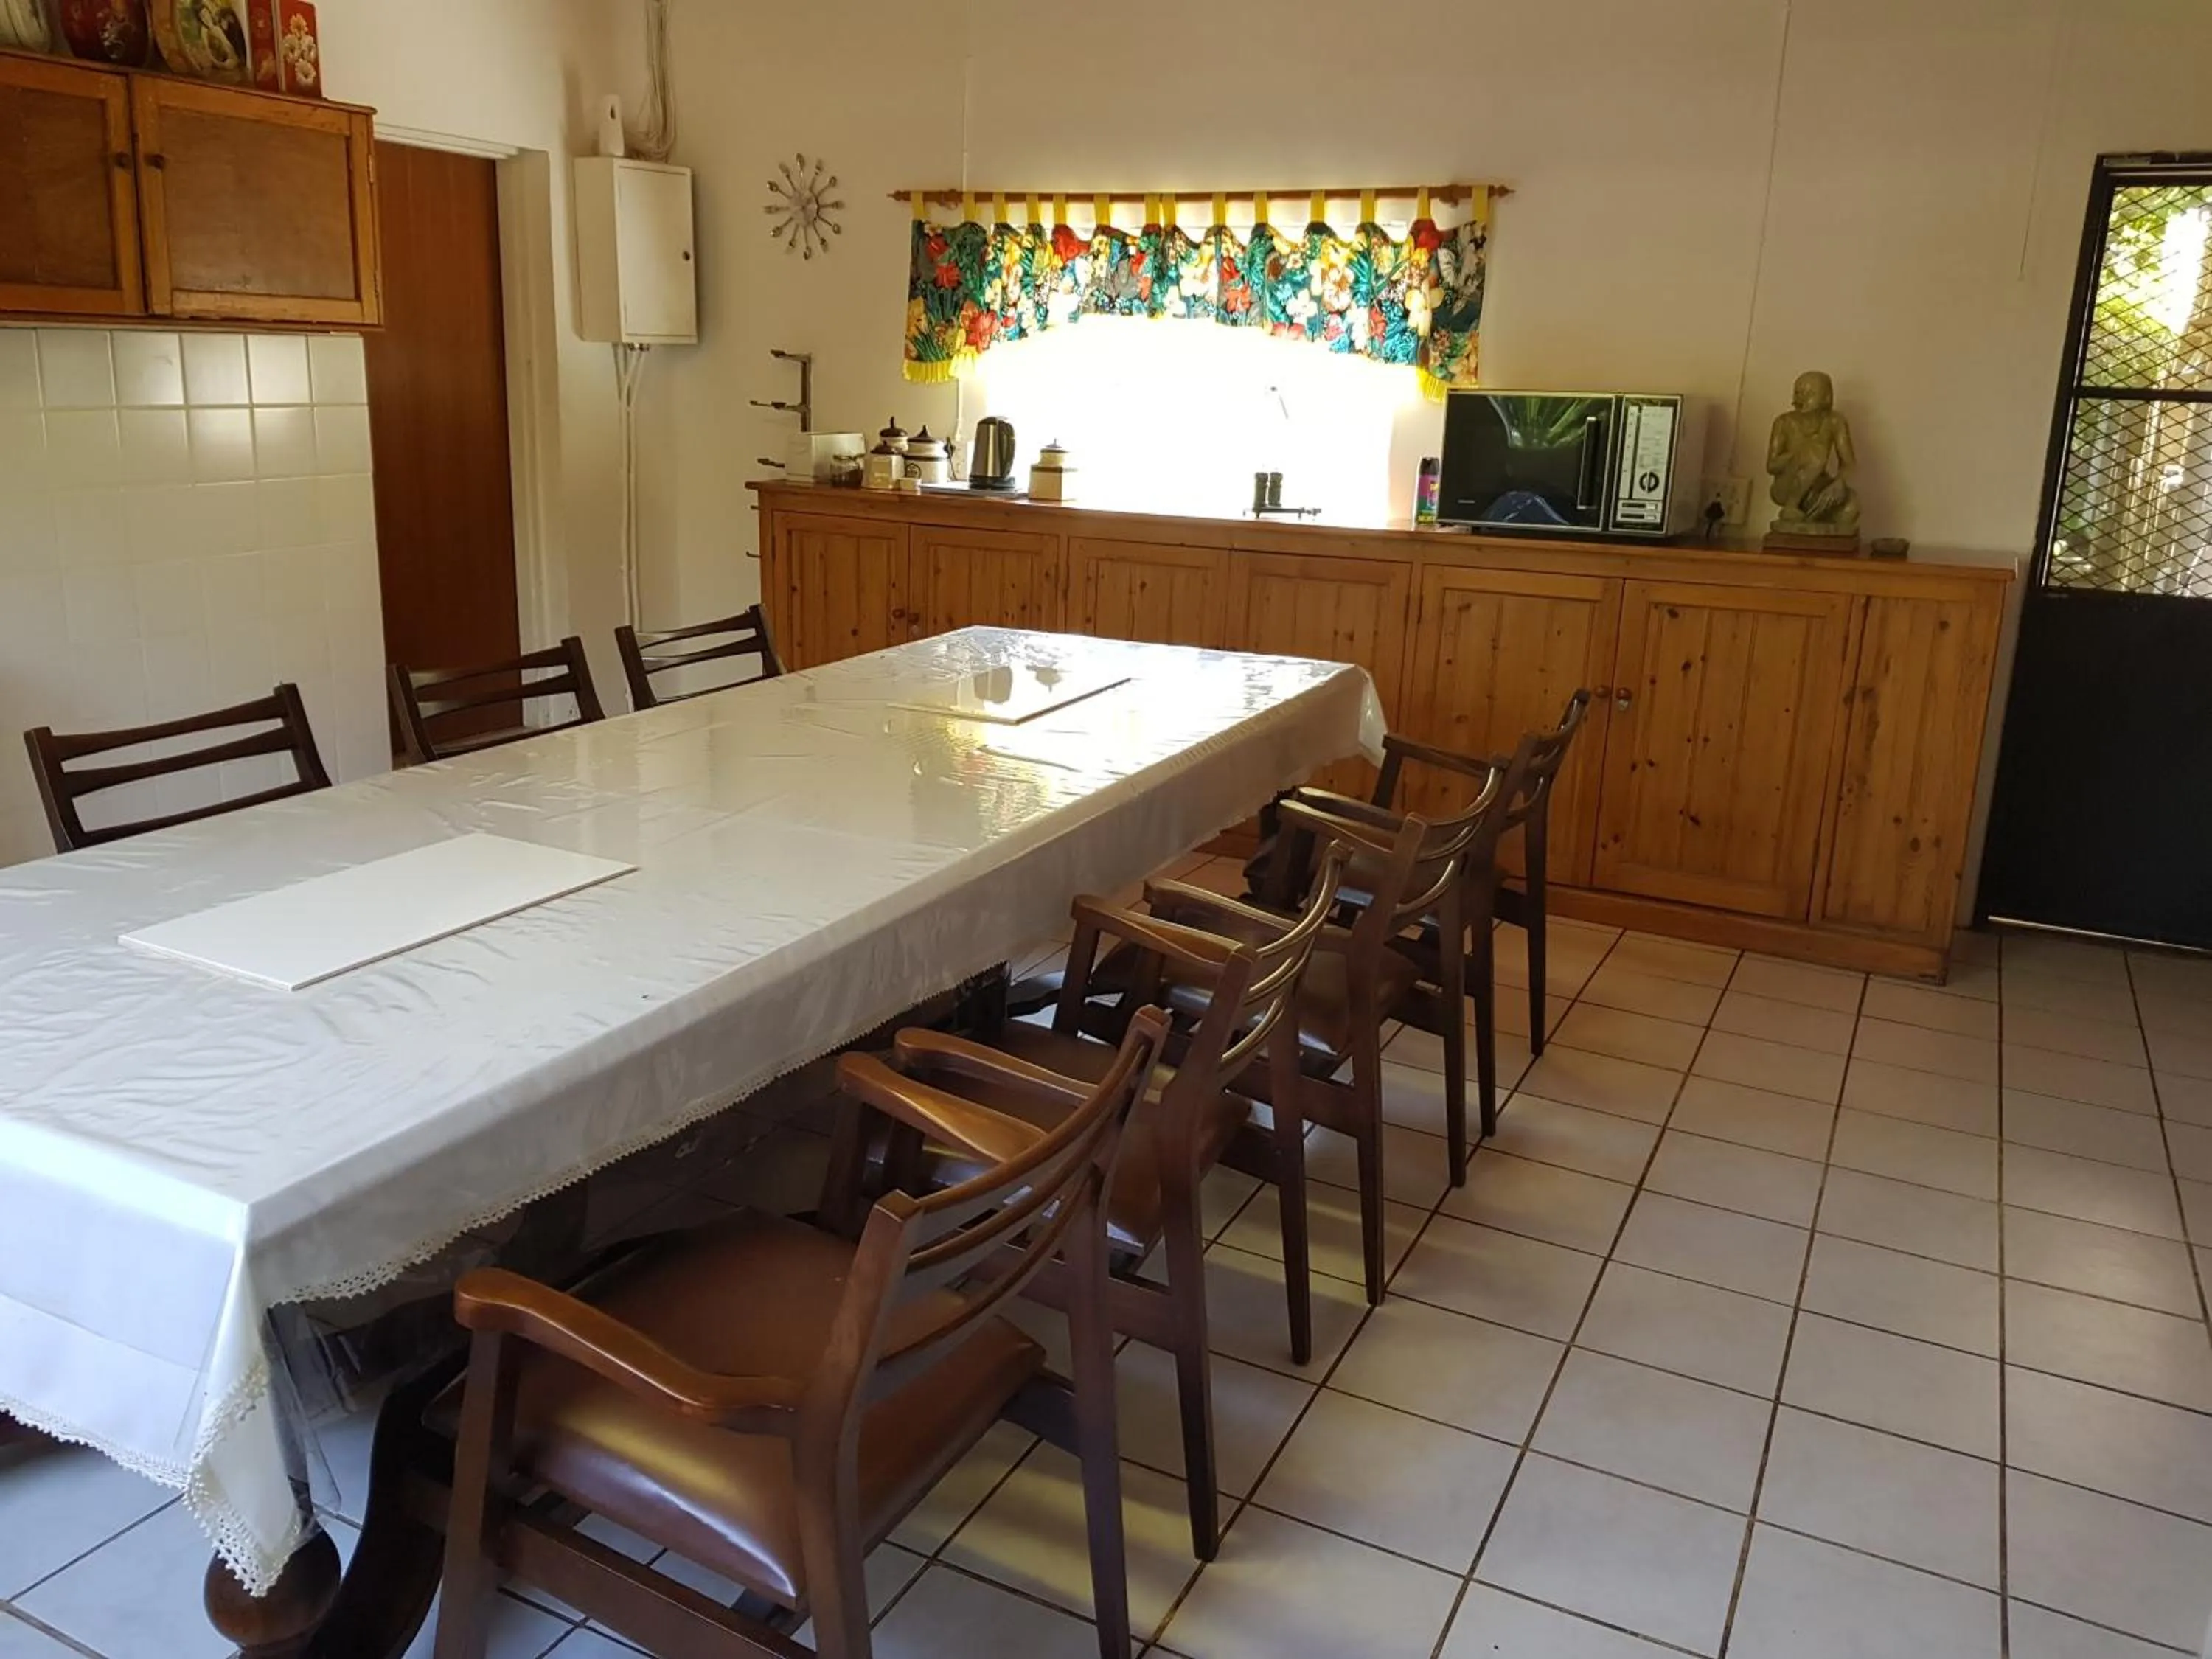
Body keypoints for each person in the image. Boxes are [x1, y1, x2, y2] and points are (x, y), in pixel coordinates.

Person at [1767, 369, 1860, 535]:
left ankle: (1810, 518)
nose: (1801, 398)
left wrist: (1839, 483)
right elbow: (1772, 466)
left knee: (1851, 508)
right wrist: (1797, 458)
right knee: (1816, 453)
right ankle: (1792, 507)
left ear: (1826, 398)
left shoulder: (1835, 421)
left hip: (1817, 488)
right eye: (1798, 392)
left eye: (1809, 393)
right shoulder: (1784, 422)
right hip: (1787, 488)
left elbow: (1849, 463)